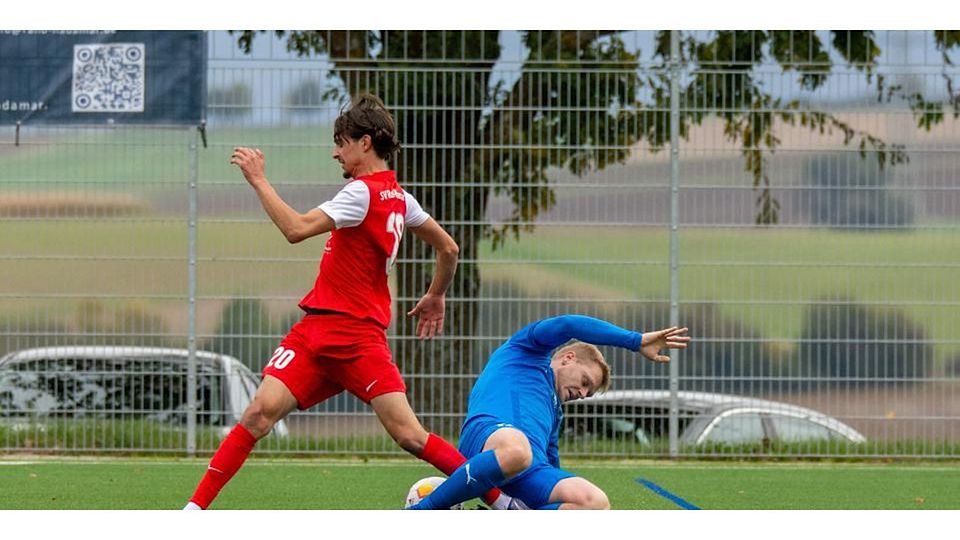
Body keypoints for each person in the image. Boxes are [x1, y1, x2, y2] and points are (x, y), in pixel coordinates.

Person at [184, 94, 513, 510]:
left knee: (410, 436)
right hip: (315, 333)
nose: (335, 151)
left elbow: (296, 229)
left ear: (366, 143)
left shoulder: (361, 193)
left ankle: (503, 503)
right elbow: (449, 248)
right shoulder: (399, 197)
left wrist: (258, 180)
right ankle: (191, 513)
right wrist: (435, 295)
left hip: (358, 339)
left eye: (341, 141)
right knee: (257, 414)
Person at [407, 314, 690, 510]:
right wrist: (635, 340)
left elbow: (551, 465)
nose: (581, 394)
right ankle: (423, 512)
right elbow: (568, 324)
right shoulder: (526, 351)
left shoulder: (555, 413)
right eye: (584, 383)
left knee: (594, 502)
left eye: (587, 394)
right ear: (568, 358)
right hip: (488, 441)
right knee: (518, 450)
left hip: (528, 471)